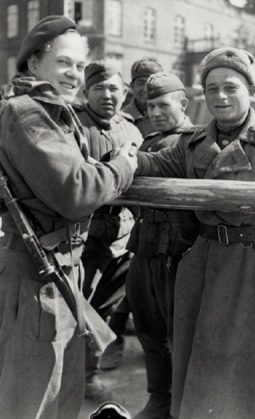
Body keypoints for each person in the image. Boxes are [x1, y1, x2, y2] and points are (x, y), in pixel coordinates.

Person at [135, 47, 255, 419]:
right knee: (202, 368)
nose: (220, 96)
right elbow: (152, 164)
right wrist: (119, 158)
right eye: (212, 89)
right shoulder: (190, 144)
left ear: (249, 90)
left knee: (252, 375)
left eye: (231, 87)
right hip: (202, 269)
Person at [0, 16, 137, 418]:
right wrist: (125, 165)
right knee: (33, 400)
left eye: (79, 66)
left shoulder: (55, 112)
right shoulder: (28, 113)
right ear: (34, 62)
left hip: (58, 273)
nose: (75, 74)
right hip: (36, 275)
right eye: (64, 63)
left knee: (60, 395)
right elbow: (77, 191)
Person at [125, 71, 198, 419]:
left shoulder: (193, 140)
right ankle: (159, 399)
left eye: (162, 104)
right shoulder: (149, 139)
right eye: (150, 105)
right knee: (148, 327)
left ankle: (182, 403)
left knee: (177, 331)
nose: (154, 111)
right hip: (144, 246)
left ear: (183, 104)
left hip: (177, 250)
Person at [73, 62, 143, 403]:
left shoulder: (131, 130)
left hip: (122, 233)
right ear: (86, 93)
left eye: (115, 88)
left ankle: (89, 374)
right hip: (83, 234)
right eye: (100, 88)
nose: (108, 95)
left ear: (125, 93)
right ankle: (72, 377)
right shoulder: (72, 125)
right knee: (76, 308)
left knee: (104, 310)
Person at [122, 58, 162, 138]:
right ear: (132, 86)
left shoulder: (168, 115)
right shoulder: (122, 119)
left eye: (151, 83)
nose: (145, 89)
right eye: (140, 83)